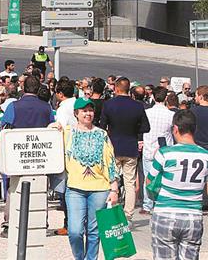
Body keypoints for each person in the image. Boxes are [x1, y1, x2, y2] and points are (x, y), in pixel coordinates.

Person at [51, 98, 119, 260]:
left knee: (94, 231)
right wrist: (53, 127)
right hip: (75, 187)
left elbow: (110, 161)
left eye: (90, 110)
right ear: (76, 113)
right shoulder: (68, 132)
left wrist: (114, 188)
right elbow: (52, 138)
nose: (88, 114)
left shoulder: (101, 134)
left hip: (100, 188)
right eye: (84, 111)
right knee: (74, 231)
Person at [147, 110, 208, 259]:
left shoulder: (164, 154)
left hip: (165, 213)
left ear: (175, 129)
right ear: (194, 129)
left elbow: (149, 182)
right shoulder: (205, 156)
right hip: (193, 216)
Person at [0, 75, 54, 236]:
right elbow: (51, 127)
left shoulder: (14, 106)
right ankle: (40, 223)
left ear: (23, 88)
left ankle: (9, 223)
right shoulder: (46, 108)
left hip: (18, 155)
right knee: (40, 188)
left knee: (13, 189)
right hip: (40, 155)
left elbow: (4, 128)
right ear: (38, 89)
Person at [99, 77, 151, 221]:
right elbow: (146, 127)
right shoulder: (137, 106)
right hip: (130, 147)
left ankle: (111, 213)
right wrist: (134, 129)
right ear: (129, 89)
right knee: (129, 183)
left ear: (116, 88)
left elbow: (102, 127)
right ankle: (128, 215)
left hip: (113, 147)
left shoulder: (109, 105)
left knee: (111, 180)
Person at [141, 86, 175, 214]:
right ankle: (160, 203)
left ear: (153, 97)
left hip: (148, 148)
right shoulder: (171, 115)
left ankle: (147, 204)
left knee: (148, 178)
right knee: (164, 178)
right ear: (166, 98)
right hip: (165, 150)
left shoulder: (146, 113)